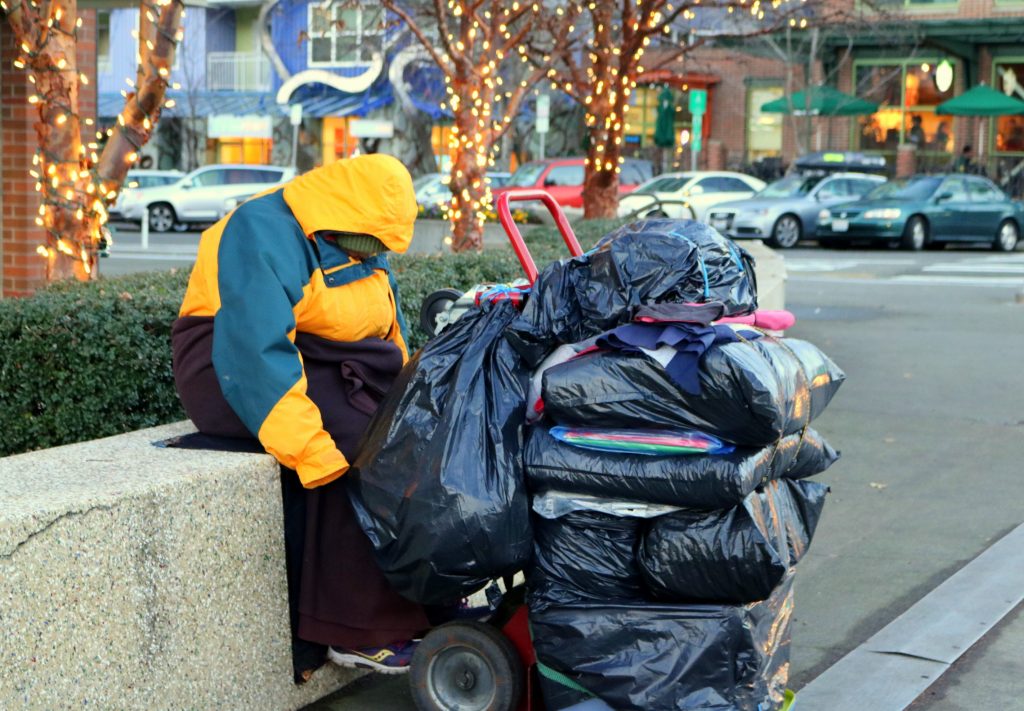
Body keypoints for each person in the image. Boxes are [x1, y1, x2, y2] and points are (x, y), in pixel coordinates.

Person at [170, 154, 429, 677]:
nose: (379, 254)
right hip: (227, 364)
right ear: (342, 215)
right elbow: (253, 353)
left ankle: (423, 599)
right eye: (374, 242)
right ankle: (351, 631)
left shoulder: (361, 234)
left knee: (410, 435)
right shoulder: (260, 231)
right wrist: (310, 449)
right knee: (357, 449)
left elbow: (388, 330)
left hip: (322, 358)